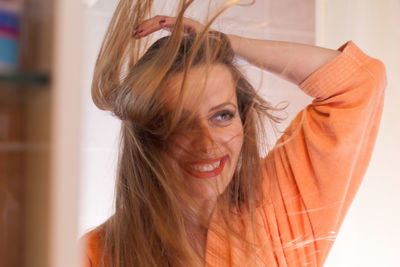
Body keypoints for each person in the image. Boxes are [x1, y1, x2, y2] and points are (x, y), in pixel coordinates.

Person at [82, 3, 386, 267]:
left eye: (222, 115)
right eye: (179, 122)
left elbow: (358, 83)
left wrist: (226, 44)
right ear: (148, 137)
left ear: (243, 120)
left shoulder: (277, 209)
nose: (206, 143)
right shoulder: (94, 254)